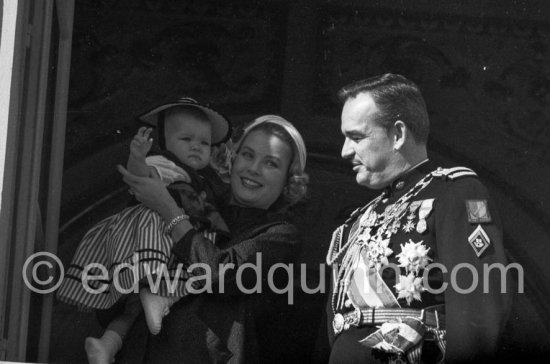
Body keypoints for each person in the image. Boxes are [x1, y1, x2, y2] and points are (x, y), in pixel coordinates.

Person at [325, 74, 510, 363]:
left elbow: (478, 316)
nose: (344, 151)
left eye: (357, 137)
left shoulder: (458, 195)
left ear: (398, 135)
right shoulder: (356, 222)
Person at [118, 114, 309, 363]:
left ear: (288, 181)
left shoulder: (281, 235)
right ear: (232, 159)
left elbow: (220, 274)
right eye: (247, 155)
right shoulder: (197, 198)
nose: (253, 168)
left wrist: (168, 210)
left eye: (271, 163)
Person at [56, 97, 232, 364]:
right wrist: (138, 156)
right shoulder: (166, 165)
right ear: (165, 143)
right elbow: (140, 174)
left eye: (204, 143)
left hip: (174, 248)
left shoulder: (205, 181)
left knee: (132, 310)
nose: (196, 146)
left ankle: (107, 346)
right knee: (146, 296)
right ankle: (158, 292)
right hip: (154, 235)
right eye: (186, 139)